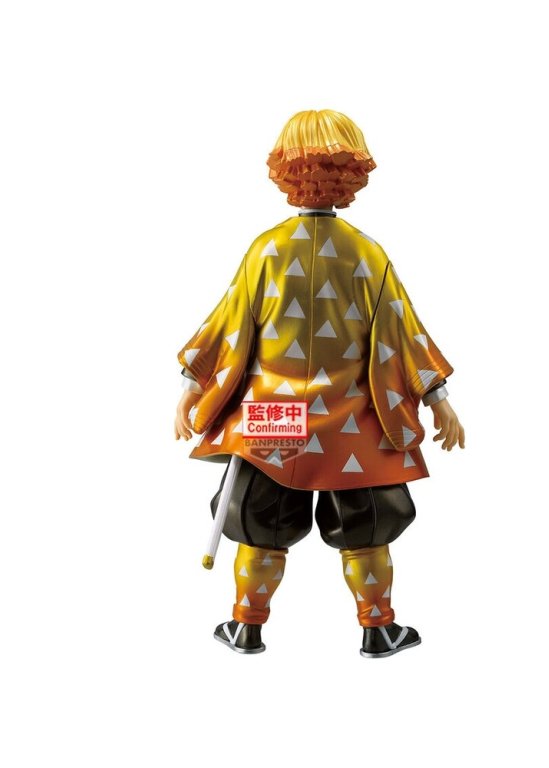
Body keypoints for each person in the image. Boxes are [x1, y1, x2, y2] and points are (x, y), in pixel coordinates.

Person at [173, 109, 465, 657]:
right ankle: (378, 629)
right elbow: (401, 332)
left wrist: (194, 382)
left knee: (260, 525)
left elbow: (229, 324)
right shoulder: (367, 254)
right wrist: (437, 396)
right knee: (366, 529)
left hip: (273, 416)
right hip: (353, 417)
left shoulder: (266, 250)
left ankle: (246, 626)